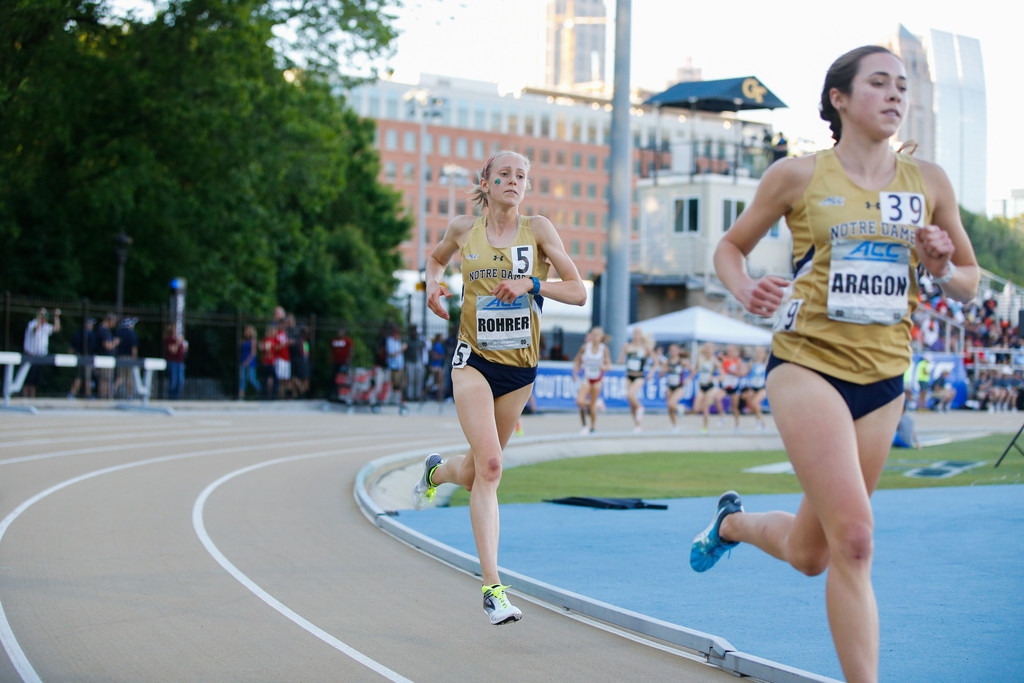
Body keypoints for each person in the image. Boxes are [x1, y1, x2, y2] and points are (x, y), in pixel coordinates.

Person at [695, 46, 979, 683]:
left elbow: (968, 282)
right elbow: (730, 247)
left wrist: (940, 267)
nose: (895, 95)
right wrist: (746, 291)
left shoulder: (928, 183)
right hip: (806, 365)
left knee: (812, 553)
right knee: (856, 538)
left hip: (884, 378)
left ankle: (732, 523)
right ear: (839, 99)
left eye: (902, 86)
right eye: (878, 83)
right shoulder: (796, 177)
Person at [410, 150, 586, 625]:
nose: (513, 181)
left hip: (520, 369)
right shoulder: (463, 230)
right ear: (484, 182)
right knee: (491, 466)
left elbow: (578, 290)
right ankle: (493, 589)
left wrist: (531, 284)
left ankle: (436, 473)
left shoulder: (540, 230)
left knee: (473, 473)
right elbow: (434, 259)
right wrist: (432, 286)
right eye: (503, 174)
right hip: (474, 361)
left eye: (521, 176)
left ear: (527, 186)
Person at [573, 326, 611, 435]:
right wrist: (575, 373)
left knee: (592, 407)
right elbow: (577, 361)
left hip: (597, 379)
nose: (595, 337)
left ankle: (592, 427)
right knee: (580, 401)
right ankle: (584, 426)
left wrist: (603, 367)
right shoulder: (585, 347)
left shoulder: (604, 349)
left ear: (601, 337)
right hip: (587, 378)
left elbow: (609, 366)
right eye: (593, 334)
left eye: (597, 335)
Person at [619, 328, 655, 432]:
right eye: (634, 333)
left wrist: (651, 372)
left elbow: (656, 361)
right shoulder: (627, 346)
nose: (636, 335)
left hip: (639, 376)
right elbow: (620, 360)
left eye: (638, 333)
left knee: (630, 394)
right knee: (631, 404)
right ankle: (638, 425)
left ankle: (640, 407)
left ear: (641, 335)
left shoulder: (645, 347)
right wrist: (621, 358)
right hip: (629, 375)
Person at [22, 307, 61, 398]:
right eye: (44, 317)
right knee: (27, 379)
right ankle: (24, 397)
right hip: (30, 355)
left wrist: (56, 317)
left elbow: (56, 328)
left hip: (40, 356)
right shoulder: (32, 324)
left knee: (35, 380)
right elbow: (36, 329)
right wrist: (39, 316)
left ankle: (32, 398)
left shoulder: (46, 327)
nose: (46, 319)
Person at [692, 341, 725, 433]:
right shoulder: (700, 359)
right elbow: (694, 370)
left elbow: (723, 376)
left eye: (710, 348)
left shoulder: (714, 360)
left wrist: (714, 378)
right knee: (696, 408)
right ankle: (709, 401)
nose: (708, 350)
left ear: (713, 350)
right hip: (702, 387)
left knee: (705, 408)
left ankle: (705, 428)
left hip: (711, 387)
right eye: (706, 347)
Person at [658, 343, 691, 432]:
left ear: (677, 351)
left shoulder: (682, 361)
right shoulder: (667, 362)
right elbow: (660, 376)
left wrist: (688, 379)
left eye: (674, 350)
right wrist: (664, 371)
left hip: (679, 386)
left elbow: (693, 371)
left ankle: (681, 408)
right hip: (670, 386)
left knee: (671, 403)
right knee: (669, 408)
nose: (673, 352)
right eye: (671, 350)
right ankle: (675, 425)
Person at [739, 345, 769, 430]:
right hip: (753, 387)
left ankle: (761, 423)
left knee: (755, 403)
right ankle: (760, 423)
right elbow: (745, 373)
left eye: (760, 352)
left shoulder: (765, 364)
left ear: (764, 354)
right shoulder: (752, 363)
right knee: (755, 406)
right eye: (757, 352)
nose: (759, 354)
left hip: (762, 388)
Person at [720, 344, 749, 429]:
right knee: (718, 398)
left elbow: (742, 374)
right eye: (729, 351)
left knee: (734, 407)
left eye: (732, 351)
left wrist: (733, 372)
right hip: (726, 385)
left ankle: (737, 424)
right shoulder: (725, 360)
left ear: (736, 352)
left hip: (734, 386)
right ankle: (723, 415)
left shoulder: (738, 361)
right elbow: (722, 371)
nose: (730, 353)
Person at [94, 312, 120, 399]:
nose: (114, 323)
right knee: (105, 380)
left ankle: (104, 397)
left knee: (105, 380)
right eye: (114, 321)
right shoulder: (104, 331)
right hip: (105, 359)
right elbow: (107, 346)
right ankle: (104, 397)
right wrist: (115, 343)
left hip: (103, 358)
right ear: (109, 320)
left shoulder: (102, 329)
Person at [68, 317, 95, 399]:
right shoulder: (90, 334)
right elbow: (93, 348)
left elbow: (71, 348)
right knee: (87, 377)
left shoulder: (78, 333)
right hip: (87, 357)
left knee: (79, 376)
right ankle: (87, 394)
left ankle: (72, 393)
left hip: (79, 357)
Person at [163, 323, 187, 400]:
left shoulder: (177, 339)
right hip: (172, 362)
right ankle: (171, 398)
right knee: (173, 382)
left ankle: (176, 398)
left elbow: (183, 351)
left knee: (180, 382)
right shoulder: (169, 339)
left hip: (179, 362)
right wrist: (178, 342)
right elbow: (173, 350)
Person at [238, 324, 260, 399]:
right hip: (242, 361)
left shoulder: (253, 341)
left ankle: (261, 391)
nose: (246, 332)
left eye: (247, 331)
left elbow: (253, 353)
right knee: (242, 380)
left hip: (250, 362)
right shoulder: (243, 340)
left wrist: (247, 361)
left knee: (251, 379)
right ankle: (241, 398)